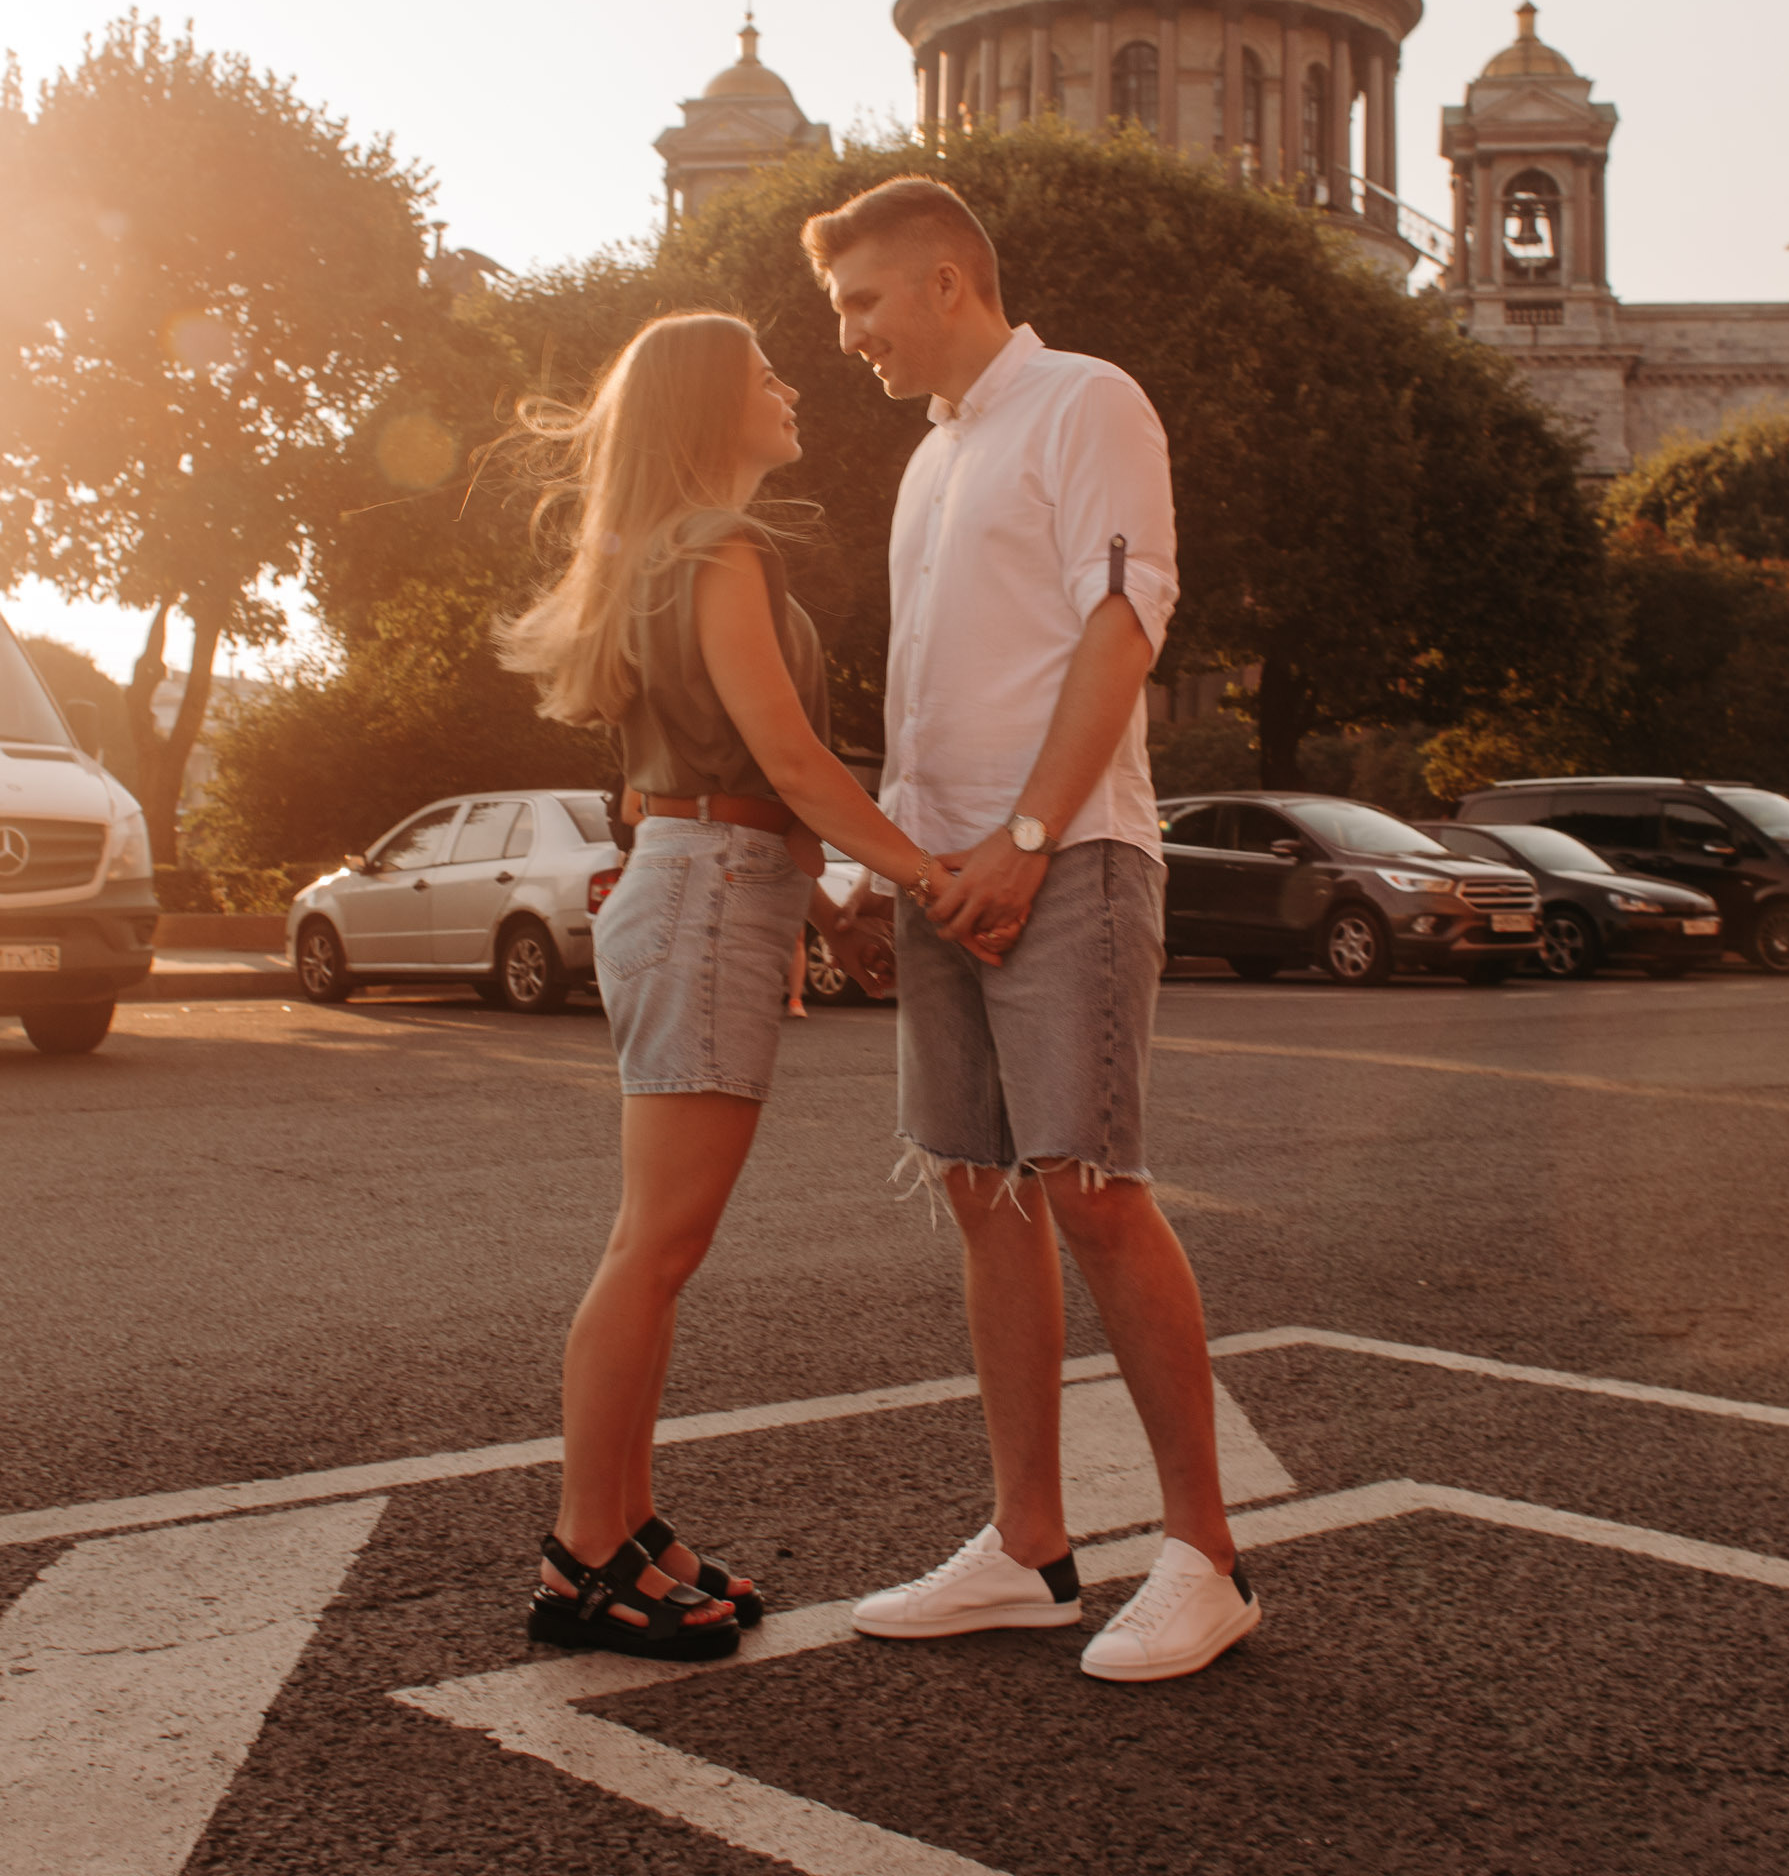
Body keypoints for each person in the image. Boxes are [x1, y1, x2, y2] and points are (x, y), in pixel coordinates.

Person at [803, 177, 1261, 1684]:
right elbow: (930, 687)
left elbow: (1128, 625)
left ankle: (1205, 1556)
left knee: (1093, 1188)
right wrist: (879, 874)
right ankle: (1029, 1545)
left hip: (1066, 858)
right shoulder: (929, 460)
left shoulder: (1086, 401)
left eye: (863, 302)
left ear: (947, 279)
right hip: (943, 873)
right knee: (980, 1193)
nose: (847, 334)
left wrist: (1025, 838)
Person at [497, 309, 947, 1660]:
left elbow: (745, 786)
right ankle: (585, 1555)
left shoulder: (676, 550)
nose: (790, 383)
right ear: (708, 408)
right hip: (702, 895)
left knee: (663, 1241)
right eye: (763, 373)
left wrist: (825, 910)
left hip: (709, 884)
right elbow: (791, 765)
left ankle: (625, 1526)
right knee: (657, 1244)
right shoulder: (718, 548)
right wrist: (924, 879)